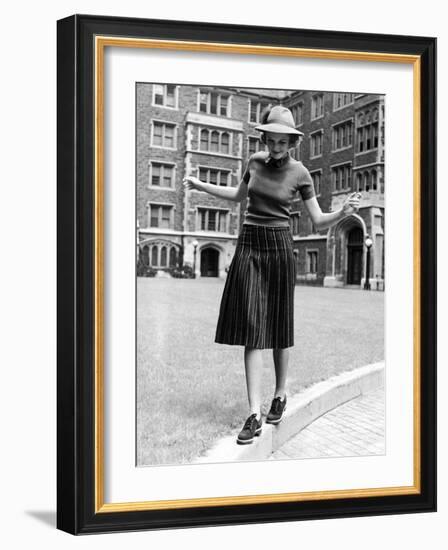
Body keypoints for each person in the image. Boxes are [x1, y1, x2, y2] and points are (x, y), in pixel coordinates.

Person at [183, 105, 361, 445]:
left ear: (291, 142)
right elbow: (238, 197)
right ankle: (253, 413)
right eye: (272, 141)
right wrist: (200, 184)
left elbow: (318, 220)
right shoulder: (253, 162)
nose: (277, 147)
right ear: (264, 137)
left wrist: (343, 212)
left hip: (280, 245)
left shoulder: (301, 174)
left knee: (278, 327)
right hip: (249, 243)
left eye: (284, 142)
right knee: (253, 328)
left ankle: (281, 392)